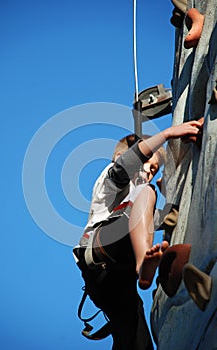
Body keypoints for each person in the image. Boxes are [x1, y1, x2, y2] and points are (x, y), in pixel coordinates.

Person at [74, 120, 203, 350]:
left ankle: (144, 264)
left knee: (137, 342)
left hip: (114, 284)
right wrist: (167, 134)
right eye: (146, 164)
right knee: (146, 191)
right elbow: (127, 165)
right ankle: (144, 262)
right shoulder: (111, 182)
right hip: (103, 248)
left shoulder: (140, 209)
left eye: (153, 170)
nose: (149, 172)